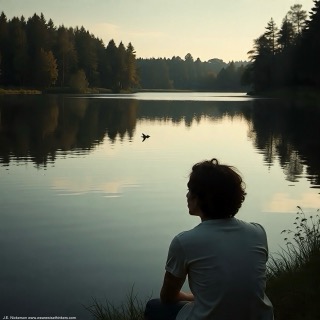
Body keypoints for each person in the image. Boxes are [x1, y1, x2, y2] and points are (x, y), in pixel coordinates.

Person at [144, 158, 274, 320]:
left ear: (200, 199)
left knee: (154, 307)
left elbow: (168, 297)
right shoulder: (258, 232)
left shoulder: (184, 242)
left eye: (190, 190)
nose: (187, 195)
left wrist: (193, 297)